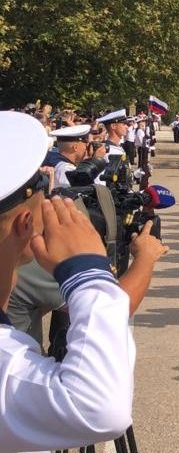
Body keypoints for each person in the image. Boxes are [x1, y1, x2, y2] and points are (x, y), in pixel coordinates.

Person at [0, 110, 158, 451]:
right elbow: (99, 409)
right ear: (25, 222)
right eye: (43, 185)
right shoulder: (8, 369)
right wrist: (90, 269)